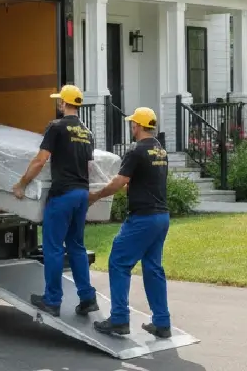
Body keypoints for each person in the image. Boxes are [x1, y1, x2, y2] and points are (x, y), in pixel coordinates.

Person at [12, 83, 99, 319]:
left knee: (52, 247)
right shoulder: (87, 132)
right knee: (76, 246)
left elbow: (40, 160)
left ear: (63, 103)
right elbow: (89, 166)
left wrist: (22, 184)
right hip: (82, 193)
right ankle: (87, 297)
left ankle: (52, 300)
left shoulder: (56, 127)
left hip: (63, 194)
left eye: (59, 100)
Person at [88, 106, 171, 339]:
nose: (131, 127)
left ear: (138, 126)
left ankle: (119, 319)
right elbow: (144, 180)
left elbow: (121, 181)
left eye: (133, 123)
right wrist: (126, 186)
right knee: (153, 268)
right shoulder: (160, 151)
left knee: (118, 262)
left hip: (143, 218)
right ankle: (162, 323)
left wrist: (96, 195)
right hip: (161, 217)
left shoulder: (136, 149)